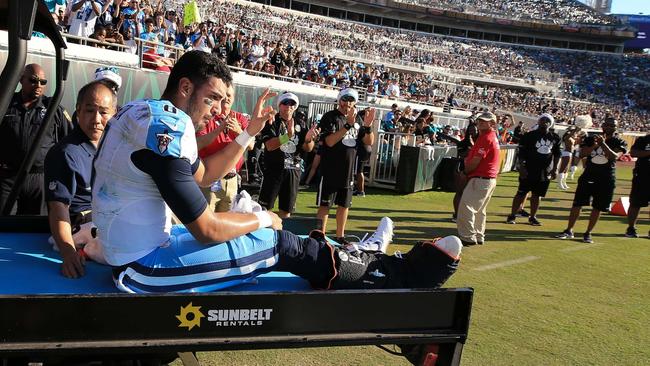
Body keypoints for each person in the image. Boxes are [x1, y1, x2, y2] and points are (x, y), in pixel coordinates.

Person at [91, 51, 460, 293]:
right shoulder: (169, 127)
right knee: (275, 242)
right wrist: (263, 218)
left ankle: (361, 254)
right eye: (212, 99)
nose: (218, 110)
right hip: (143, 269)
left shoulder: (142, 111)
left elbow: (202, 175)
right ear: (185, 87)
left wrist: (249, 132)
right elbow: (206, 230)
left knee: (273, 234)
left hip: (138, 254)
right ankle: (391, 273)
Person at [44, 81, 117, 279]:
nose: (96, 119)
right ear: (78, 111)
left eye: (103, 112)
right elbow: (58, 210)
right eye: (89, 110)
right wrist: (68, 253)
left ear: (114, 113)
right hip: (84, 228)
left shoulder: (117, 148)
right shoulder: (64, 154)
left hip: (110, 220)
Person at [0, 64, 72, 215]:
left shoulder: (54, 109)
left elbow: (69, 143)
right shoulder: (5, 104)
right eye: (33, 80)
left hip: (40, 180)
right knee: (4, 226)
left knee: (36, 228)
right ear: (21, 79)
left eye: (43, 82)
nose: (38, 85)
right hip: (8, 178)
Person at [316, 88, 375, 245]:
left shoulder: (358, 120)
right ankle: (319, 237)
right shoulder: (330, 117)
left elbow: (369, 142)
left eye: (351, 100)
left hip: (349, 171)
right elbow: (329, 141)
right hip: (330, 169)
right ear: (339, 100)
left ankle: (340, 236)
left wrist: (368, 126)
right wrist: (347, 126)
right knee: (325, 205)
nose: (347, 104)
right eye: (344, 99)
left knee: (344, 205)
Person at [555, 117, 627, 243]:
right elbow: (582, 154)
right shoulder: (591, 138)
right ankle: (569, 230)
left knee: (597, 207)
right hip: (589, 174)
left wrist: (603, 144)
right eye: (607, 124)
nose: (609, 127)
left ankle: (588, 233)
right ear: (603, 125)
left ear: (616, 127)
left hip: (606, 177)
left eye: (612, 125)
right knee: (577, 203)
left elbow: (614, 157)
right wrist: (595, 144)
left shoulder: (619, 141)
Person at [258, 92, 319, 217]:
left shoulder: (300, 123)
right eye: (285, 103)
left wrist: (308, 140)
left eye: (292, 104)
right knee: (264, 208)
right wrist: (287, 136)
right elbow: (269, 146)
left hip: (293, 169)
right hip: (274, 169)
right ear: (279, 105)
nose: (289, 106)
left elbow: (308, 149)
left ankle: (282, 235)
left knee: (286, 210)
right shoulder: (272, 121)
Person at [196, 84, 250, 213]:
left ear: (234, 97)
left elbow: (251, 144)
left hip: (231, 180)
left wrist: (239, 131)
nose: (226, 98)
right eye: (223, 96)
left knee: (227, 221)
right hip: (209, 180)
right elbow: (198, 143)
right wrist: (220, 129)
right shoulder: (208, 117)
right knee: (206, 222)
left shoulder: (239, 118)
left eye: (229, 95)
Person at [506, 114, 561, 226]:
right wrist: (521, 167)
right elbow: (521, 153)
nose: (544, 122)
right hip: (529, 169)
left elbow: (557, 155)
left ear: (551, 123)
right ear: (538, 121)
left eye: (547, 120)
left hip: (544, 171)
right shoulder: (529, 135)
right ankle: (512, 215)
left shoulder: (555, 137)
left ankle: (532, 217)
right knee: (521, 193)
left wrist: (555, 169)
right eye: (542, 119)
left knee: (537, 195)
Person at [456, 112, 500, 246]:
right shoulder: (489, 136)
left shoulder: (486, 138)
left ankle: (468, 237)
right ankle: (478, 235)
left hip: (481, 178)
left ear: (492, 123)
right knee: (480, 210)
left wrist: (464, 172)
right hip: (487, 179)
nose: (480, 122)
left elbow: (476, 161)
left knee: (466, 207)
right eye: (480, 120)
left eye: (484, 121)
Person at [452, 116, 478, 222]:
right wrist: (471, 148)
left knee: (472, 195)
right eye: (471, 130)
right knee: (459, 192)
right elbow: (462, 155)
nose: (473, 133)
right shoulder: (463, 143)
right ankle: (456, 214)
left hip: (476, 172)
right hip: (463, 170)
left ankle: (467, 215)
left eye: (475, 131)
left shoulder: (481, 142)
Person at [624, 133, 650, 238]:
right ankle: (631, 228)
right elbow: (633, 153)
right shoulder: (644, 139)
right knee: (635, 203)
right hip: (642, 175)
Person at [557, 126, 579, 190]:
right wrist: (574, 130)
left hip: (570, 154)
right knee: (563, 169)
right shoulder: (567, 138)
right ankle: (559, 184)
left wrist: (577, 130)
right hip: (566, 153)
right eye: (571, 132)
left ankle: (564, 183)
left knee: (566, 170)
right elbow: (571, 134)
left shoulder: (572, 138)